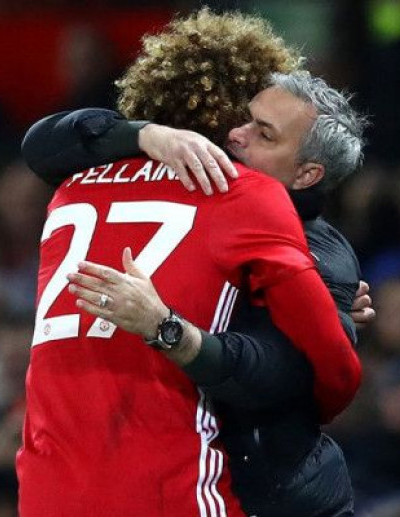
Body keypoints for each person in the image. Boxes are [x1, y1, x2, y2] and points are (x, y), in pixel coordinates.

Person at [21, 10, 372, 517]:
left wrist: (172, 331)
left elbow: (297, 379)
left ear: (308, 173)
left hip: (264, 490)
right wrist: (146, 135)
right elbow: (328, 380)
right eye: (242, 118)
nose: (237, 135)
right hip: (200, 478)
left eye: (264, 133)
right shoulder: (234, 197)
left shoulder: (76, 183)